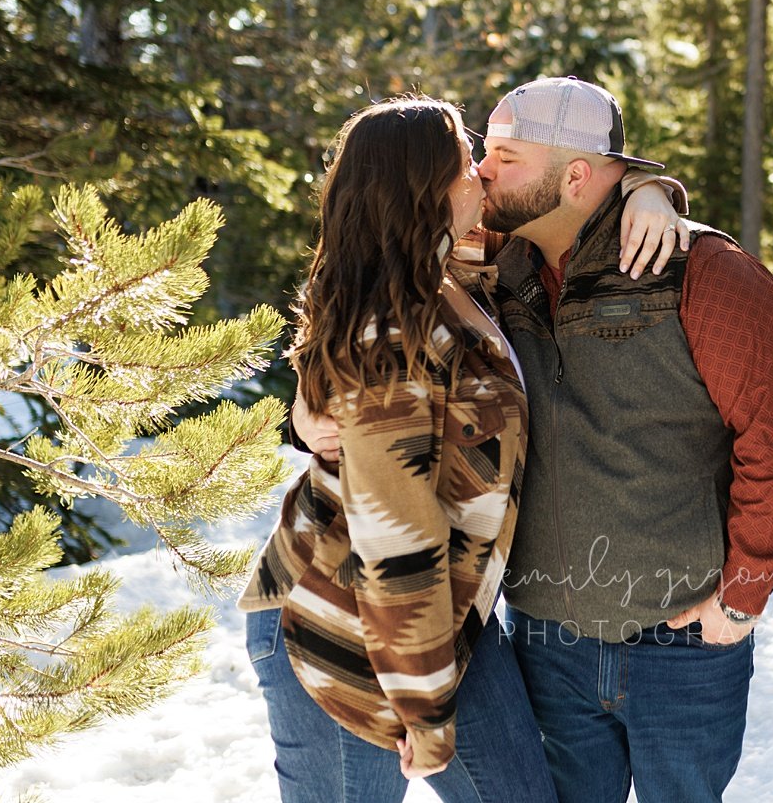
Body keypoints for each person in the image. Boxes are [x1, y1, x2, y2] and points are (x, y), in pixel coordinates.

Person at [237, 95, 687, 803]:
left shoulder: (448, 270)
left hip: (443, 618)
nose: (483, 172)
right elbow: (396, 533)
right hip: (346, 627)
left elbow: (564, 200)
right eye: (465, 163)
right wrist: (421, 706)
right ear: (425, 193)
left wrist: (644, 187)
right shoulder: (387, 333)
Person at [477, 76, 773, 803]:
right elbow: (393, 222)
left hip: (682, 643)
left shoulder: (705, 273)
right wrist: (650, 182)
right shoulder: (498, 266)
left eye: (504, 155)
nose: (482, 169)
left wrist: (742, 597)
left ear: (573, 176)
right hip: (543, 638)